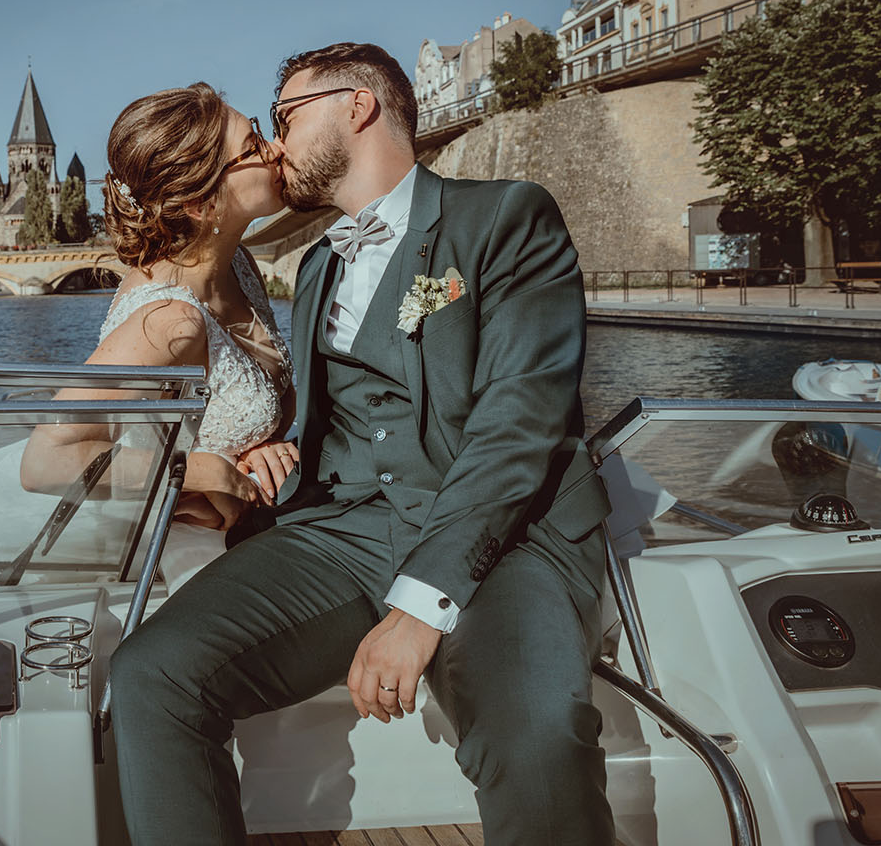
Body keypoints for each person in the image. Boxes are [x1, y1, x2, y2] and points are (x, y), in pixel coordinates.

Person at [109, 43, 614, 844]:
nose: (272, 144)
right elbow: (323, 418)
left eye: (284, 117)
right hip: (340, 533)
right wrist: (253, 454)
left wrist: (419, 608)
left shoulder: (504, 217)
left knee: (534, 733)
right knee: (152, 672)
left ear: (357, 104)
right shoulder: (314, 268)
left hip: (507, 536)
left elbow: (520, 424)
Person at [0, 82, 298, 562]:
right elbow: (44, 462)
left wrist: (259, 449)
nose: (277, 148)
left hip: (252, 525)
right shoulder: (169, 319)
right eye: (253, 147)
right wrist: (207, 471)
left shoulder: (238, 265)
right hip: (190, 554)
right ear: (201, 205)